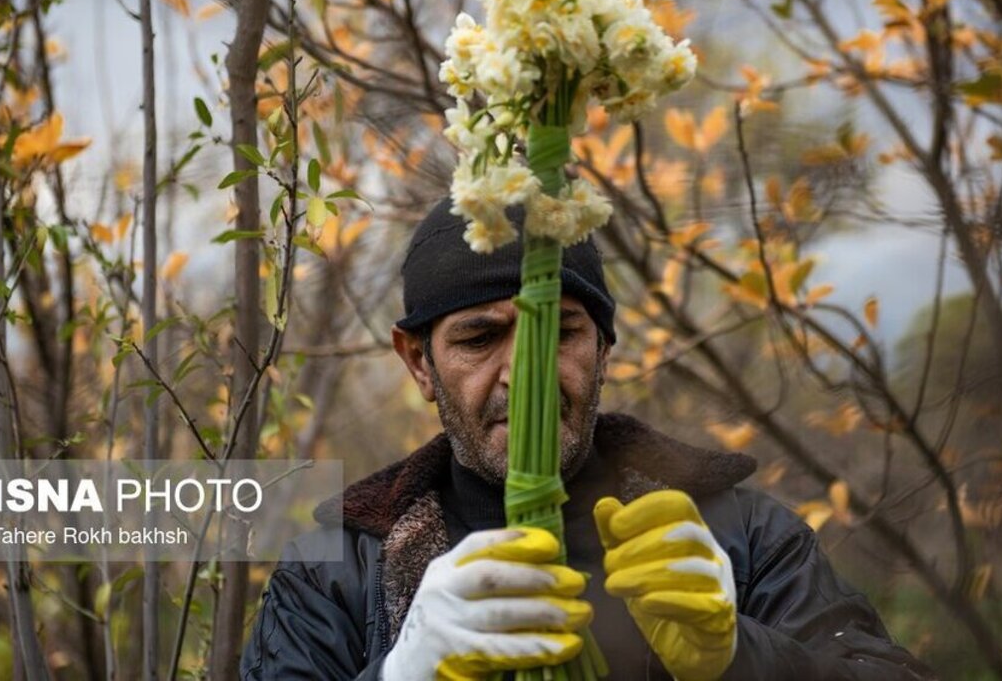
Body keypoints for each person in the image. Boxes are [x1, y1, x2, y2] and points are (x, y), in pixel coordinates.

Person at [240, 199, 934, 680]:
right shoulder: (335, 571)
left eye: (561, 331)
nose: (525, 372)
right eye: (479, 338)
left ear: (604, 348)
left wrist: (740, 657)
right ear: (419, 362)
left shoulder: (743, 534)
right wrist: (401, 673)